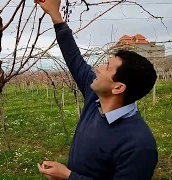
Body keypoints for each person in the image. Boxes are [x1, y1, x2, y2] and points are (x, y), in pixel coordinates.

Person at [35, 0, 158, 179]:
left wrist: (69, 176)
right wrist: (55, 15)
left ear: (118, 88)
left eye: (107, 67)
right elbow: (74, 59)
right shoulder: (95, 99)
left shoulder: (138, 145)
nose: (98, 68)